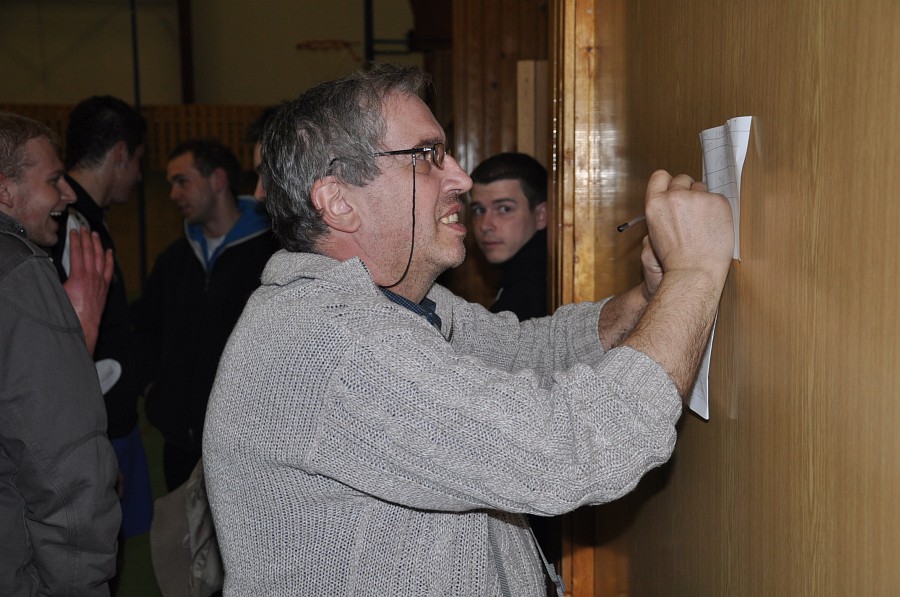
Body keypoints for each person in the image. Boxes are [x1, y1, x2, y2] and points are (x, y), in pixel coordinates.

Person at [202, 64, 733, 597]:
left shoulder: (395, 302)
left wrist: (650, 299)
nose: (461, 178)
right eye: (428, 156)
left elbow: (527, 350)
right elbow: (569, 452)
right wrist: (692, 276)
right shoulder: (334, 343)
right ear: (339, 201)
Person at [0, 111, 120, 596]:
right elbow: (64, 469)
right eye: (53, 180)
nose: (68, 194)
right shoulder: (20, 273)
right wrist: (71, 347)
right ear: (5, 190)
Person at [133, 137, 278, 491]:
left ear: (217, 180)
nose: (173, 194)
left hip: (246, 451)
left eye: (182, 181)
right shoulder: (173, 261)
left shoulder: (273, 256)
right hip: (179, 446)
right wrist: (155, 391)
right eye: (172, 184)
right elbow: (146, 330)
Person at [49, 97, 154, 577]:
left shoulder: (85, 219)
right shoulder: (67, 225)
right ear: (120, 155)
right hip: (91, 434)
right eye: (139, 160)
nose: (140, 175)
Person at [470, 152, 549, 320]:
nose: (485, 225)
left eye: (504, 209)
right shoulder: (520, 279)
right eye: (479, 210)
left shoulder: (531, 294)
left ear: (541, 215)